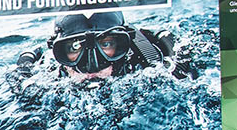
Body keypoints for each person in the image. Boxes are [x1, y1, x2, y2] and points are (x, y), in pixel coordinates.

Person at [11, 10, 178, 85]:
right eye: (75, 47)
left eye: (106, 44)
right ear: (58, 54)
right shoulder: (48, 75)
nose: (92, 67)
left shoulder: (148, 64)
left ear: (124, 47)